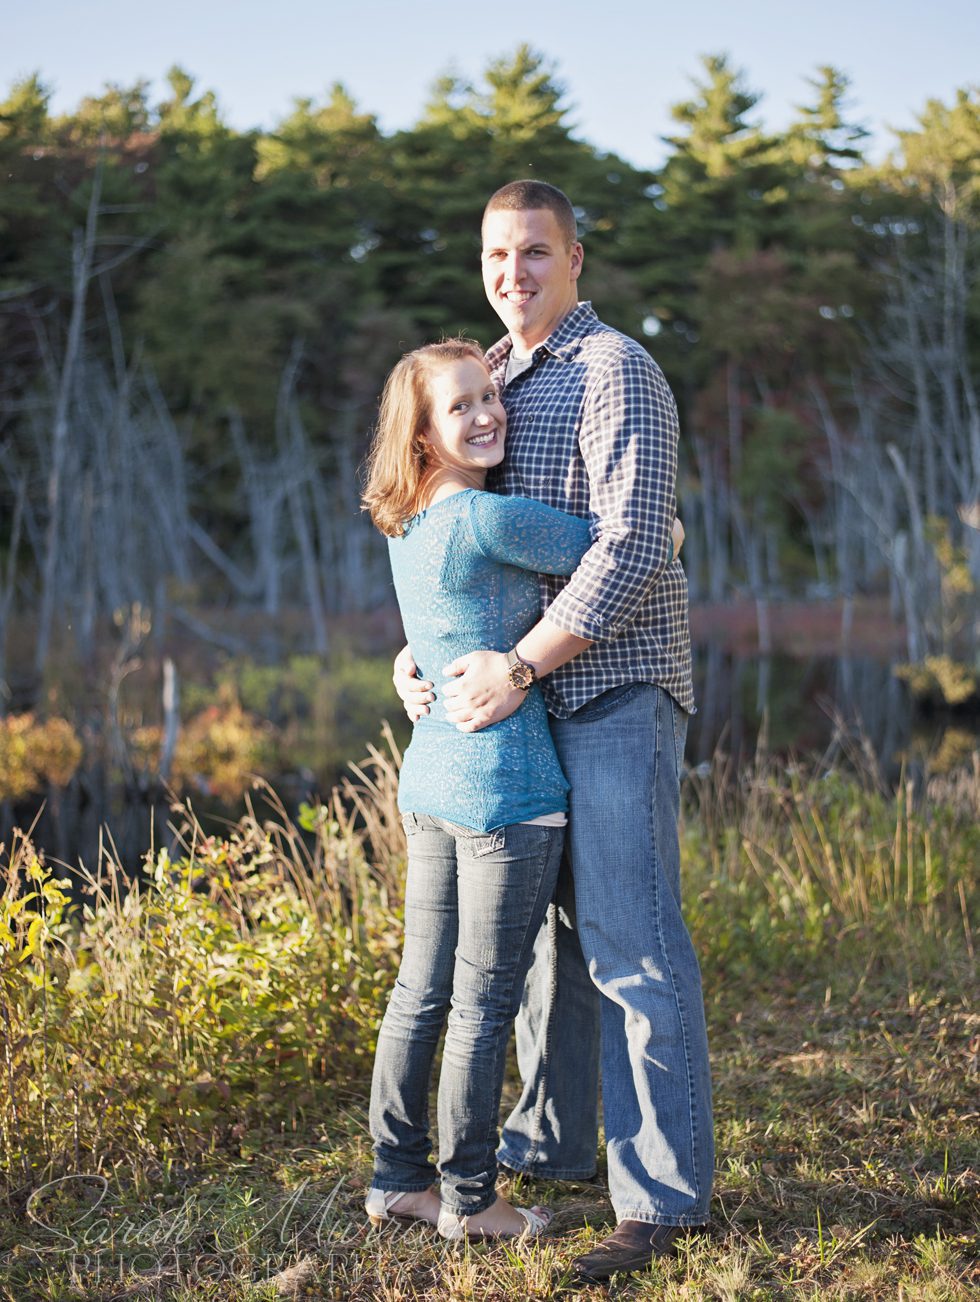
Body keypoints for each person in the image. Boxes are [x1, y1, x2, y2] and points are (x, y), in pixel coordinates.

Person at [393, 180, 713, 1281]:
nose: (512, 273)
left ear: (574, 257)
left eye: (534, 252)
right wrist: (425, 660)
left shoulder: (615, 369)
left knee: (629, 944)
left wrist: (521, 664)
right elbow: (459, 538)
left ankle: (661, 1197)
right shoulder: (494, 374)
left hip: (610, 689)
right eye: (496, 254)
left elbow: (628, 548)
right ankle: (551, 1142)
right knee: (543, 950)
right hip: (515, 710)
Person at [361, 337, 639, 1240]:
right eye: (462, 406)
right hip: (506, 788)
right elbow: (619, 549)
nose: (488, 414)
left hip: (431, 778)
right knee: (483, 1004)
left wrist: (411, 663)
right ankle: (474, 1202)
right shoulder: (490, 519)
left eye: (491, 394)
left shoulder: (407, 527)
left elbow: (441, 629)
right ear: (423, 437)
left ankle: (397, 1180)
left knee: (419, 992)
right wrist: (667, 529)